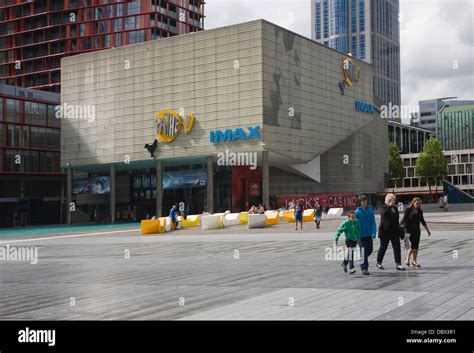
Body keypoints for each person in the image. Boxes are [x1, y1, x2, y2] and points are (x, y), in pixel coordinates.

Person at [376, 193, 405, 271]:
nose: (393, 201)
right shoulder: (383, 207)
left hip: (394, 231)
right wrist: (389, 206)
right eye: (392, 200)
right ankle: (379, 262)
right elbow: (384, 214)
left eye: (394, 200)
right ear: (387, 200)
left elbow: (396, 221)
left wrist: (401, 232)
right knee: (383, 247)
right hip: (385, 232)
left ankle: (398, 264)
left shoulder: (395, 208)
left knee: (397, 247)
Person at [401, 197, 431, 268]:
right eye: (417, 203)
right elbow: (404, 220)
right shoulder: (408, 210)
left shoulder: (420, 211)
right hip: (409, 231)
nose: (418, 205)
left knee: (416, 246)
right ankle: (407, 258)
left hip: (417, 231)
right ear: (413, 203)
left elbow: (423, 221)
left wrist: (427, 230)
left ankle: (414, 261)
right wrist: (404, 229)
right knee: (411, 246)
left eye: (420, 203)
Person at [355, 194, 377, 275]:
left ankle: (362, 259)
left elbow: (373, 222)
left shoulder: (370, 210)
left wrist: (373, 232)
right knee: (363, 251)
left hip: (368, 234)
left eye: (366, 200)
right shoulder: (356, 212)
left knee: (370, 250)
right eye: (363, 201)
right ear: (360, 202)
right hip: (361, 236)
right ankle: (364, 268)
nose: (365, 202)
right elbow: (354, 225)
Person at [334, 210, 361, 274]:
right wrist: (336, 239)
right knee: (351, 253)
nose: (353, 219)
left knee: (350, 254)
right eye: (352, 217)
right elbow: (339, 231)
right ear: (349, 217)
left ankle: (344, 263)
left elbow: (359, 231)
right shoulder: (345, 223)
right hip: (349, 240)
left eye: (354, 217)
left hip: (355, 240)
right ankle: (351, 268)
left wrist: (358, 239)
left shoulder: (357, 222)